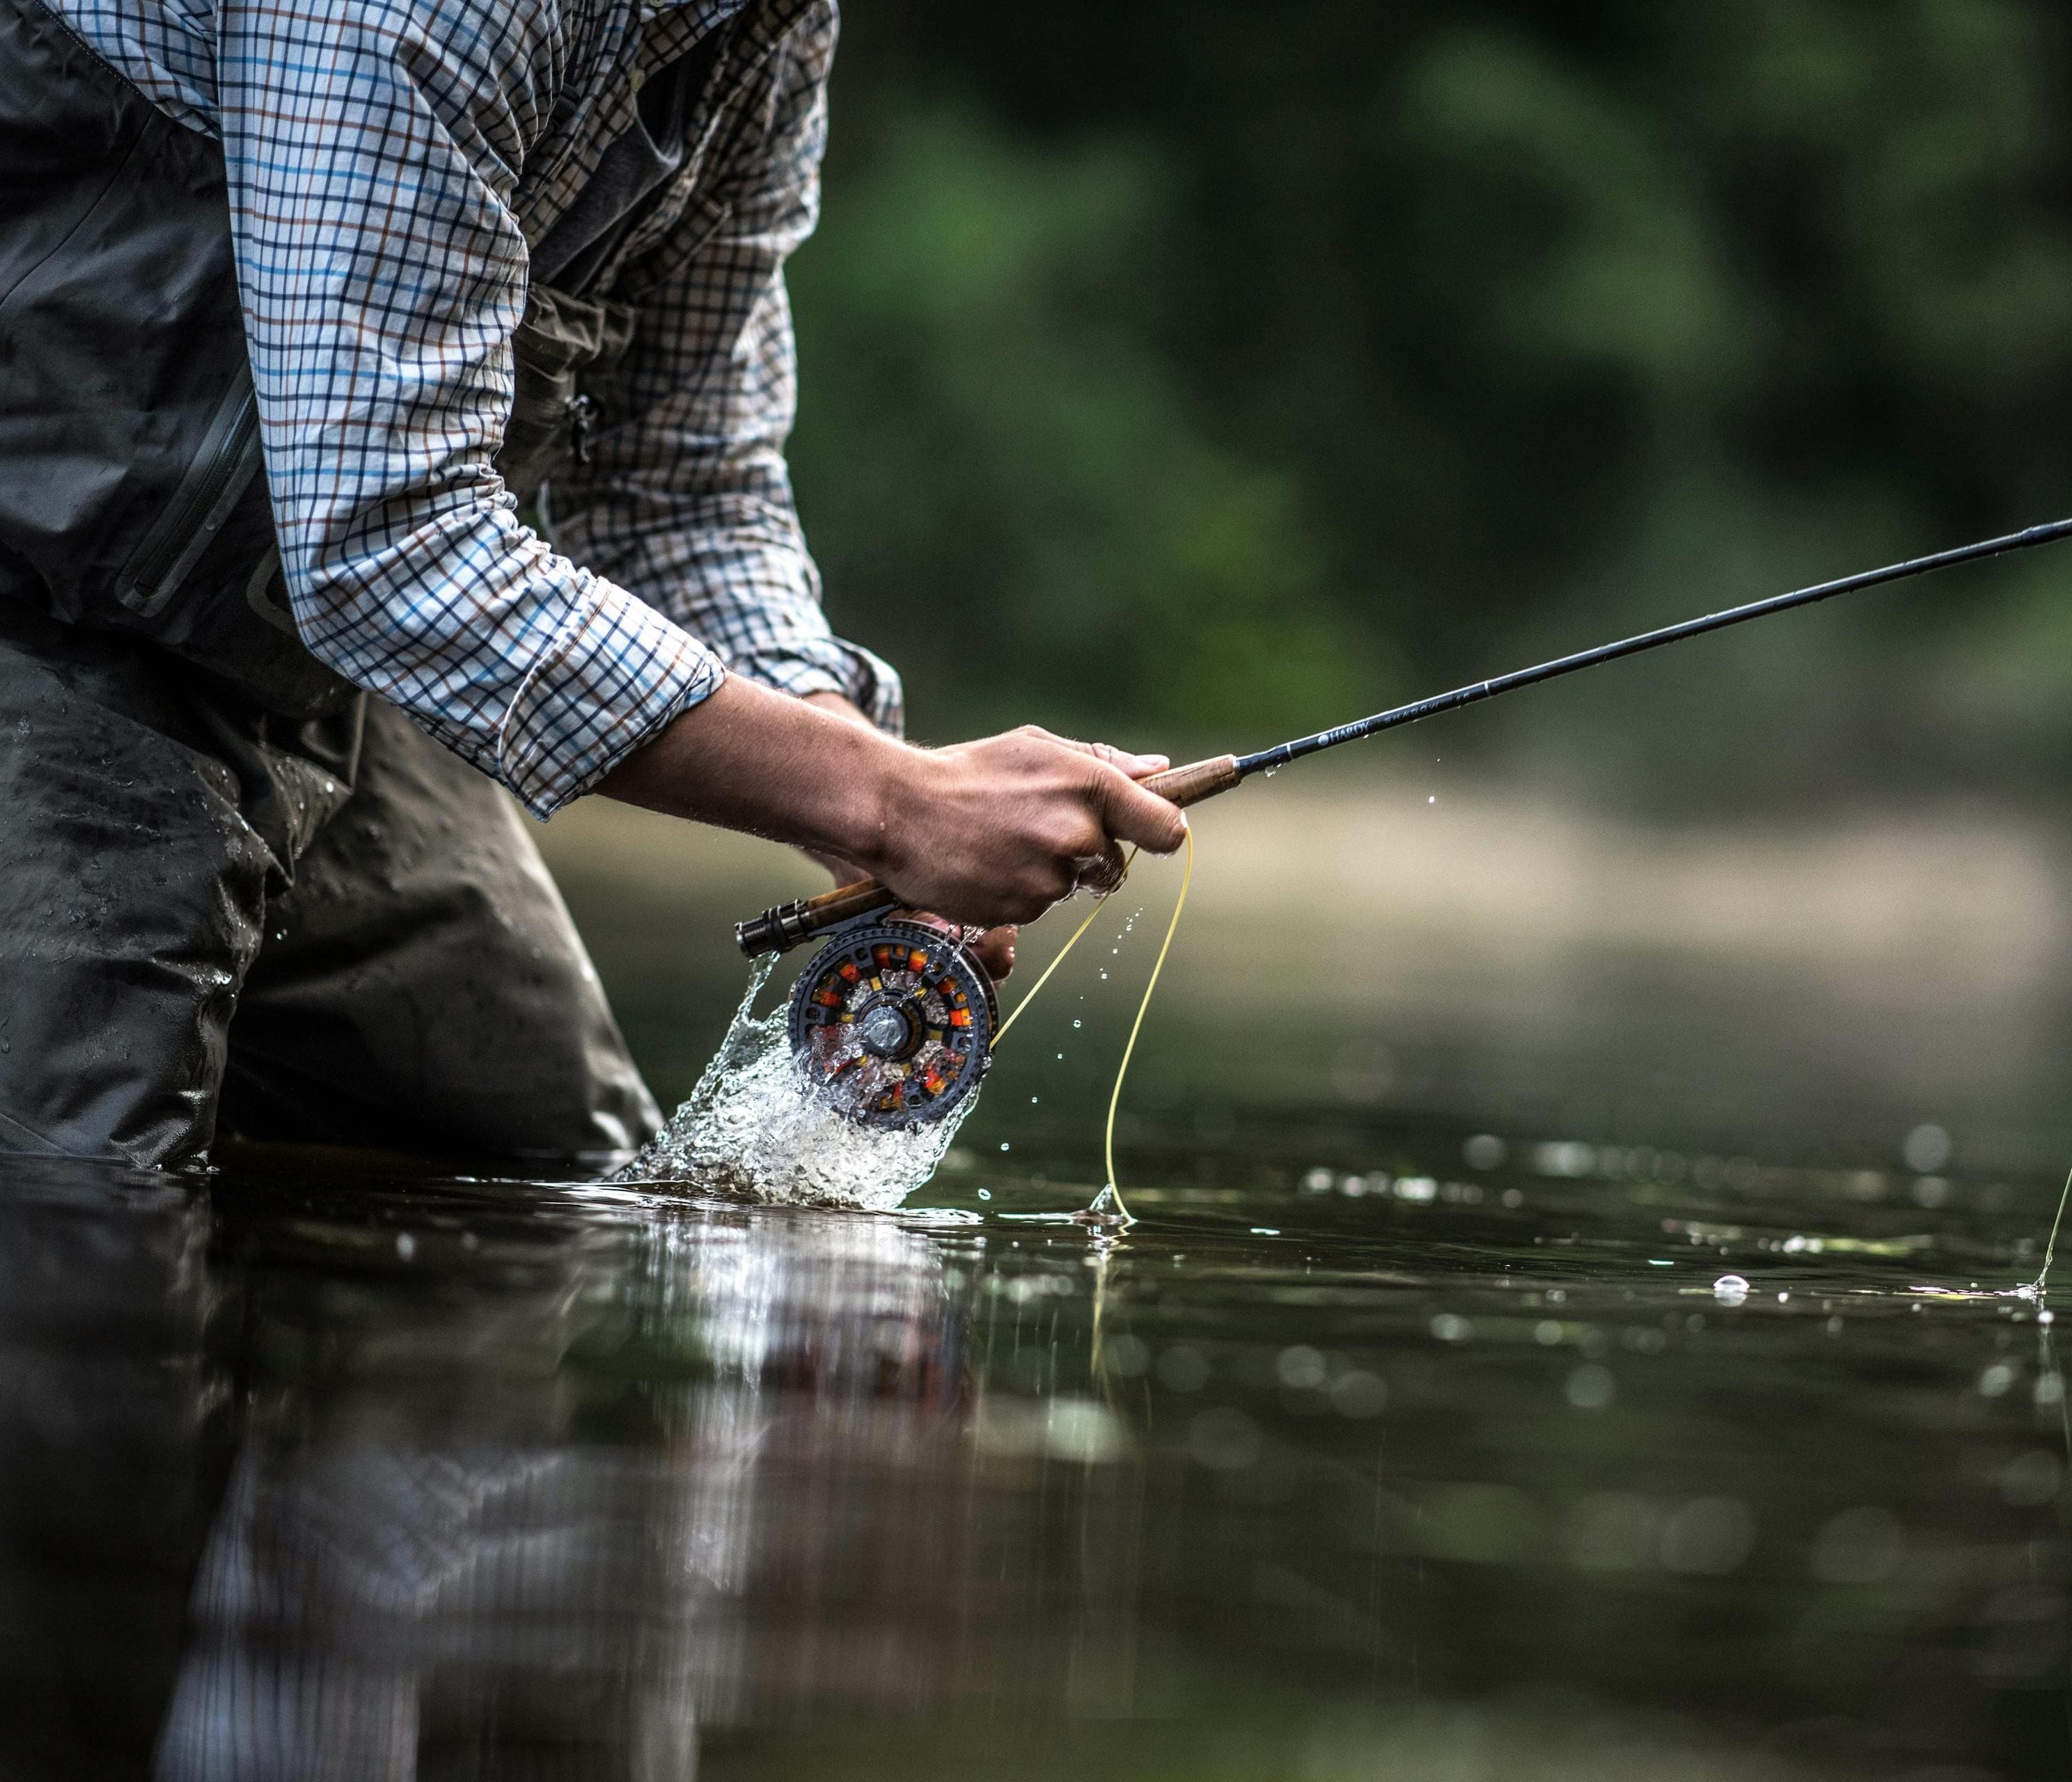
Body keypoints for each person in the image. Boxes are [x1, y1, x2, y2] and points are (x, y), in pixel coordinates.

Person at [0, 0, 1186, 1173]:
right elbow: (384, 546)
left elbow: (677, 483)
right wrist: (882, 804)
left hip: (308, 664)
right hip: (42, 611)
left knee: (564, 1178)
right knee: (79, 1217)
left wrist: (870, 792)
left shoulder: (768, 27)